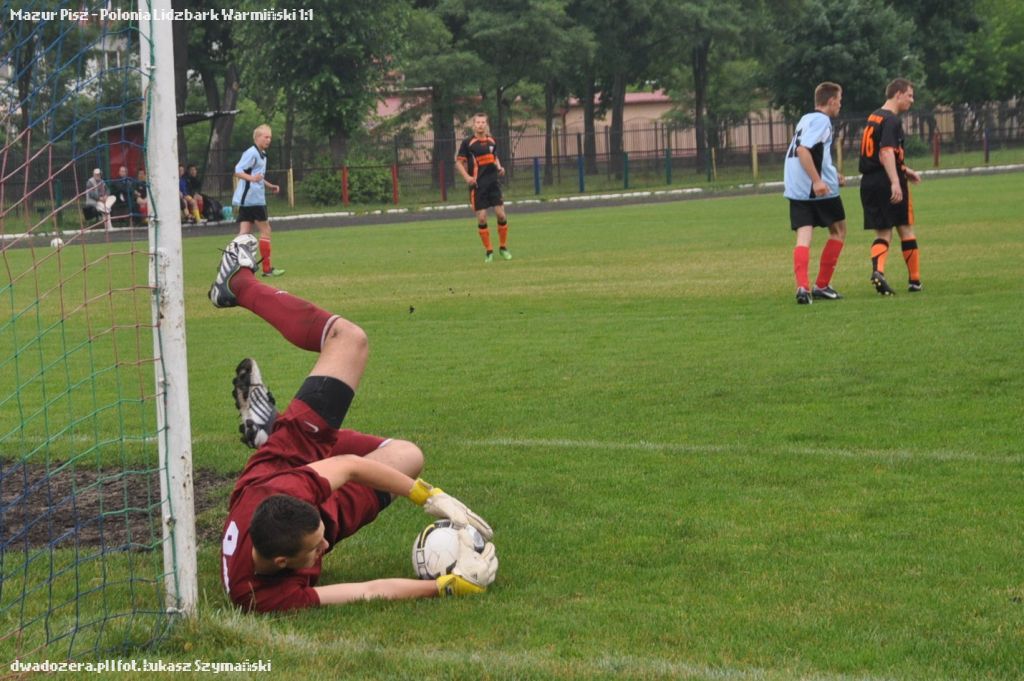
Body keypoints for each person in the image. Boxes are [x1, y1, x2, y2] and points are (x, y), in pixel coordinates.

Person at [209, 234, 497, 612]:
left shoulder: (286, 490)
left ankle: (239, 284)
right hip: (310, 501)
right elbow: (367, 589)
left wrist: (432, 497)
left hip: (282, 462)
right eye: (316, 547)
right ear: (282, 563)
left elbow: (348, 466)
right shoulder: (261, 598)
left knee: (349, 338)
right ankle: (271, 427)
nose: (326, 545)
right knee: (408, 456)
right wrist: (444, 586)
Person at [783, 82, 847, 305]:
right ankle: (822, 285)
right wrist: (819, 181)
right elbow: (803, 150)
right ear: (831, 101)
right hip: (816, 188)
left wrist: (832, 173)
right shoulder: (822, 121)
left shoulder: (806, 119)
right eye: (839, 100)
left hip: (796, 187)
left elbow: (816, 153)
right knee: (838, 231)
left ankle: (802, 287)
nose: (840, 105)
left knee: (804, 236)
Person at [859, 78, 923, 295]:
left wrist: (905, 169)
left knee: (883, 232)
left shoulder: (874, 116)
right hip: (886, 179)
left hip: (869, 181)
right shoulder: (892, 120)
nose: (912, 100)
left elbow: (880, 153)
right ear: (898, 94)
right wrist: (895, 181)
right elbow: (886, 152)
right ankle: (915, 280)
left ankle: (878, 271)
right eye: (909, 95)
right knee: (905, 228)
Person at [456, 113, 511, 263]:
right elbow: (459, 162)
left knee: (501, 215)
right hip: (478, 185)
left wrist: (499, 167)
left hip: (493, 184)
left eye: (483, 122)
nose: (480, 125)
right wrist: (467, 178)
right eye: (478, 122)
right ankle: (489, 251)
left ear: (486, 125)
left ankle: (503, 247)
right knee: (481, 218)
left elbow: (494, 157)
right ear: (473, 125)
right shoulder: (468, 143)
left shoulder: (492, 141)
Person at [233, 124, 284, 277]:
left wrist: (269, 185)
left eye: (270, 137)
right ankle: (267, 269)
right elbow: (238, 171)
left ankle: (231, 262)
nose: (269, 140)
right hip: (254, 200)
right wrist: (252, 178)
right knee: (266, 231)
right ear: (257, 137)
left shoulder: (262, 154)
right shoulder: (251, 153)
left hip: (248, 200)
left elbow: (258, 176)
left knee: (244, 233)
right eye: (266, 137)